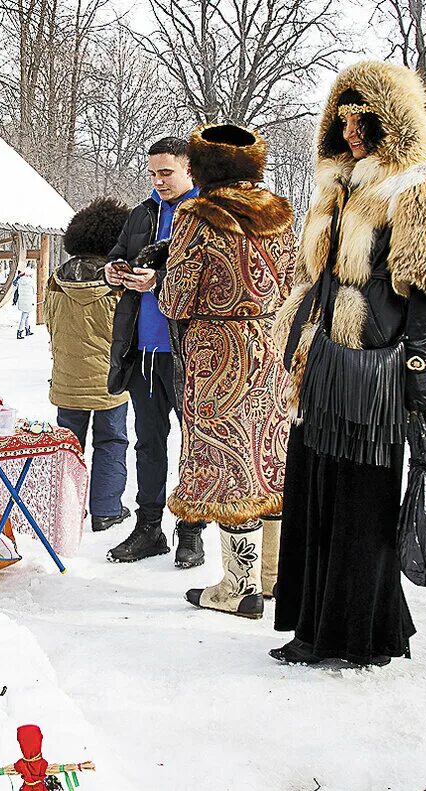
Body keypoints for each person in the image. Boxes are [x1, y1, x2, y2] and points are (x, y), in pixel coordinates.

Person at [272, 61, 426, 667]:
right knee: (316, 488)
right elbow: (314, 273)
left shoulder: (424, 182)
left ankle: (358, 634)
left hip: (377, 369)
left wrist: (415, 365)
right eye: (344, 119)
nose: (353, 131)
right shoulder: (334, 184)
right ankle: (315, 628)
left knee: (362, 500)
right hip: (323, 361)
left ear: (395, 122)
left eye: (367, 120)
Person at [158, 123, 296, 614]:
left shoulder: (198, 215)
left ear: (202, 168)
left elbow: (176, 301)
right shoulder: (282, 214)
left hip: (220, 354)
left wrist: (161, 270)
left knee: (229, 466)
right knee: (269, 462)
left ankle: (239, 589)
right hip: (273, 351)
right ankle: (275, 578)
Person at [103, 136, 200, 565]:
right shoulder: (142, 213)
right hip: (142, 349)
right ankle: (148, 528)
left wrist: (159, 282)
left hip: (193, 352)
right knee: (148, 441)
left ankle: (191, 530)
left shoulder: (206, 214)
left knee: (196, 445)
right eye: (153, 173)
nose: (158, 181)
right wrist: (114, 270)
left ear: (190, 170)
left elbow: (214, 281)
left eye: (167, 172)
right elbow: (119, 254)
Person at [46, 197, 132, 533]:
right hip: (109, 383)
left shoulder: (56, 280)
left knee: (68, 446)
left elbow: (50, 325)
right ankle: (106, 509)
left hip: (66, 380)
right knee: (111, 442)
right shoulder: (116, 284)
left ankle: (67, 508)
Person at [14, 268, 37, 338]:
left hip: (22, 301)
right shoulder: (31, 281)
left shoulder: (19, 281)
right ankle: (19, 331)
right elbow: (34, 291)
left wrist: (18, 276)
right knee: (24, 316)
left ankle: (27, 330)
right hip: (28, 301)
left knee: (26, 315)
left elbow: (14, 284)